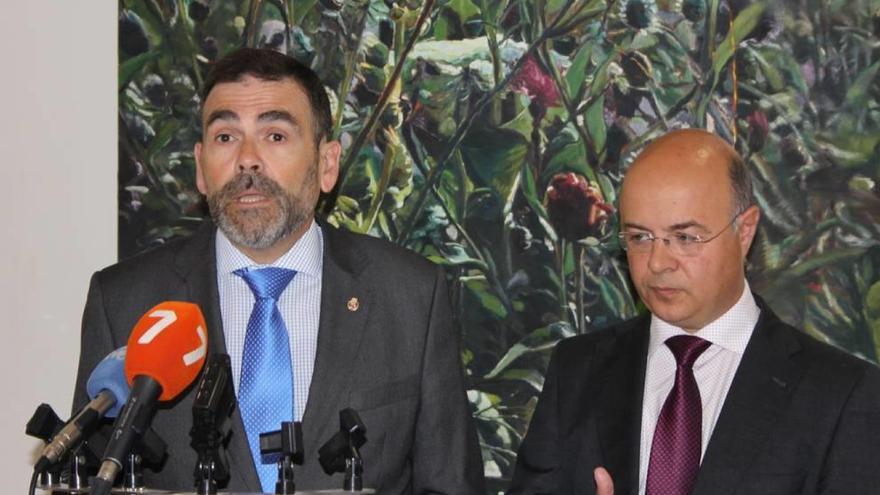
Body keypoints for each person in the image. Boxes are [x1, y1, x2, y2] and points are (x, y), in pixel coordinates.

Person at [72, 48, 484, 494]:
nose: (247, 160)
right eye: (226, 137)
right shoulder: (124, 301)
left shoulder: (410, 296)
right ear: (201, 169)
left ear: (327, 165)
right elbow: (92, 476)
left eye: (275, 136)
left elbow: (450, 484)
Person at [508, 129, 880, 495]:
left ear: (745, 230)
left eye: (684, 238)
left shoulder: (840, 396)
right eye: (639, 237)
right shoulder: (578, 372)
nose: (657, 263)